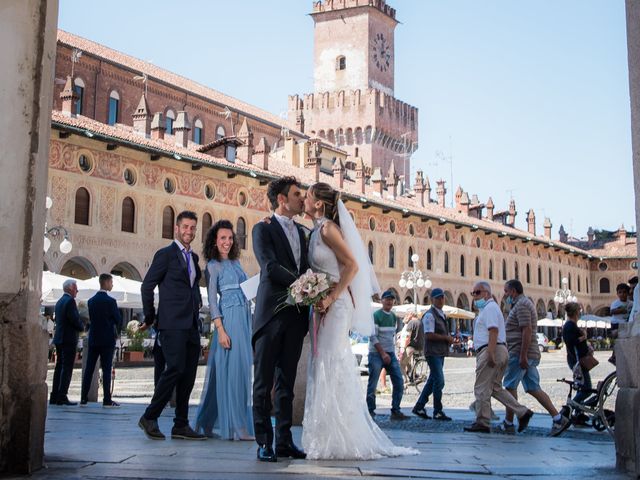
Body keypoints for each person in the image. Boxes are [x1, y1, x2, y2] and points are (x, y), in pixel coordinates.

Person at [301, 182, 417, 459]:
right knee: (323, 364)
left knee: (332, 363)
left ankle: (341, 436)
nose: (304, 200)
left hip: (336, 306)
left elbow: (352, 266)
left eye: (306, 196)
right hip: (324, 304)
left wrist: (329, 298)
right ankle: (327, 435)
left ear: (319, 203)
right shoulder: (317, 230)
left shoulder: (328, 229)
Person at [252, 176, 309, 462]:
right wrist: (303, 283)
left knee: (286, 382)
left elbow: (308, 266)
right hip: (269, 316)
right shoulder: (261, 230)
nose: (303, 198)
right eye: (297, 194)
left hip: (297, 317)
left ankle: (285, 441)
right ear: (282, 200)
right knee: (263, 383)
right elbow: (270, 266)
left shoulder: (302, 232)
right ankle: (264, 442)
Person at [138, 210, 206, 441]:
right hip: (171, 324)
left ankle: (181, 425)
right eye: (185, 227)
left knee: (188, 375)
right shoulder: (165, 254)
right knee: (174, 368)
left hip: (192, 324)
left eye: (193, 228)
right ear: (177, 228)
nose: (189, 231)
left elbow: (193, 286)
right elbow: (147, 286)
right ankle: (150, 416)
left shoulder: (194, 259)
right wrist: (150, 317)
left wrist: (197, 304)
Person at [194, 220, 254, 440]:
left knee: (227, 373)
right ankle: (239, 426)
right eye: (222, 238)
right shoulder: (212, 266)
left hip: (244, 317)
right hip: (229, 321)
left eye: (230, 238)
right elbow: (212, 299)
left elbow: (245, 289)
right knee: (235, 373)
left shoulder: (237, 263)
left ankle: (205, 421)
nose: (227, 242)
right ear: (214, 241)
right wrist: (220, 329)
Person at [464, 281, 534, 433]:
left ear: (487, 293)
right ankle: (522, 412)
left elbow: (493, 331)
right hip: (499, 349)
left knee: (481, 387)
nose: (474, 296)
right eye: (473, 293)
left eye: (478, 292)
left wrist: (489, 353)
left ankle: (483, 422)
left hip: (491, 350)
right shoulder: (490, 309)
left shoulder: (489, 308)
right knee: (495, 388)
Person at [501, 280, 568, 436]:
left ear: (513, 291)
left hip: (520, 353)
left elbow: (527, 330)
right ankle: (558, 418)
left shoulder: (522, 304)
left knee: (510, 386)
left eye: (506, 291)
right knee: (533, 388)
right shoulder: (520, 304)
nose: (505, 295)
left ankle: (508, 423)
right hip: (525, 352)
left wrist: (522, 355)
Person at [80, 273, 122, 408]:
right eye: (111, 282)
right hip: (107, 339)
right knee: (106, 369)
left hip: (94, 339)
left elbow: (91, 319)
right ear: (107, 282)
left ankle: (83, 398)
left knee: (89, 369)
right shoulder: (111, 302)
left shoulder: (91, 301)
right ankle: (107, 400)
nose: (112, 285)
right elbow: (118, 319)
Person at [412, 287, 453, 421]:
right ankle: (437, 410)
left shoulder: (441, 314)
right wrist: (446, 338)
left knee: (432, 380)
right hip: (433, 352)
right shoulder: (430, 315)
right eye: (438, 298)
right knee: (439, 381)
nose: (441, 300)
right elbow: (429, 335)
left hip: (440, 352)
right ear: (432, 300)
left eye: (442, 297)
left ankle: (419, 406)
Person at [366, 290, 408, 420]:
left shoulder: (393, 317)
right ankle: (370, 410)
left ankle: (396, 410)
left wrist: (393, 353)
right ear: (382, 301)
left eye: (392, 299)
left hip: (390, 352)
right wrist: (383, 353)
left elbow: (392, 336)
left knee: (399, 381)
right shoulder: (376, 315)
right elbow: (373, 337)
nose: (389, 301)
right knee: (373, 383)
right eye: (387, 299)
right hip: (376, 353)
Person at [50, 279, 85, 406]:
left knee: (59, 367)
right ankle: (62, 395)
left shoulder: (59, 301)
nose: (77, 291)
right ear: (70, 288)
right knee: (67, 367)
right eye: (76, 288)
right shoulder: (70, 301)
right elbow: (74, 319)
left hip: (59, 337)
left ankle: (54, 395)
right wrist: (82, 327)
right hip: (68, 338)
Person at [562, 302, 594, 405]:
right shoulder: (570, 325)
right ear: (576, 312)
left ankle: (578, 412)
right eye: (579, 311)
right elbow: (571, 342)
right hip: (577, 361)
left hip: (578, 360)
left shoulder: (571, 325)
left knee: (582, 387)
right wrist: (583, 337)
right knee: (587, 389)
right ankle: (569, 408)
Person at [399, 312, 423, 379]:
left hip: (411, 347)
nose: (406, 316)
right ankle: (412, 376)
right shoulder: (420, 322)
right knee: (408, 363)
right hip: (419, 347)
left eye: (407, 314)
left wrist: (404, 347)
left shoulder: (411, 323)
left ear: (411, 315)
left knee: (401, 365)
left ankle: (404, 381)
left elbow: (408, 337)